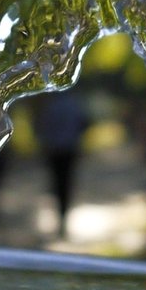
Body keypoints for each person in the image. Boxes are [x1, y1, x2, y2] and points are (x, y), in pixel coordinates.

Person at [34, 92, 89, 237]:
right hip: (69, 149)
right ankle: (63, 214)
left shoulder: (51, 106)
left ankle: (61, 214)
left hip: (55, 150)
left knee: (57, 182)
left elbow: (42, 127)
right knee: (67, 182)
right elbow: (84, 123)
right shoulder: (73, 104)